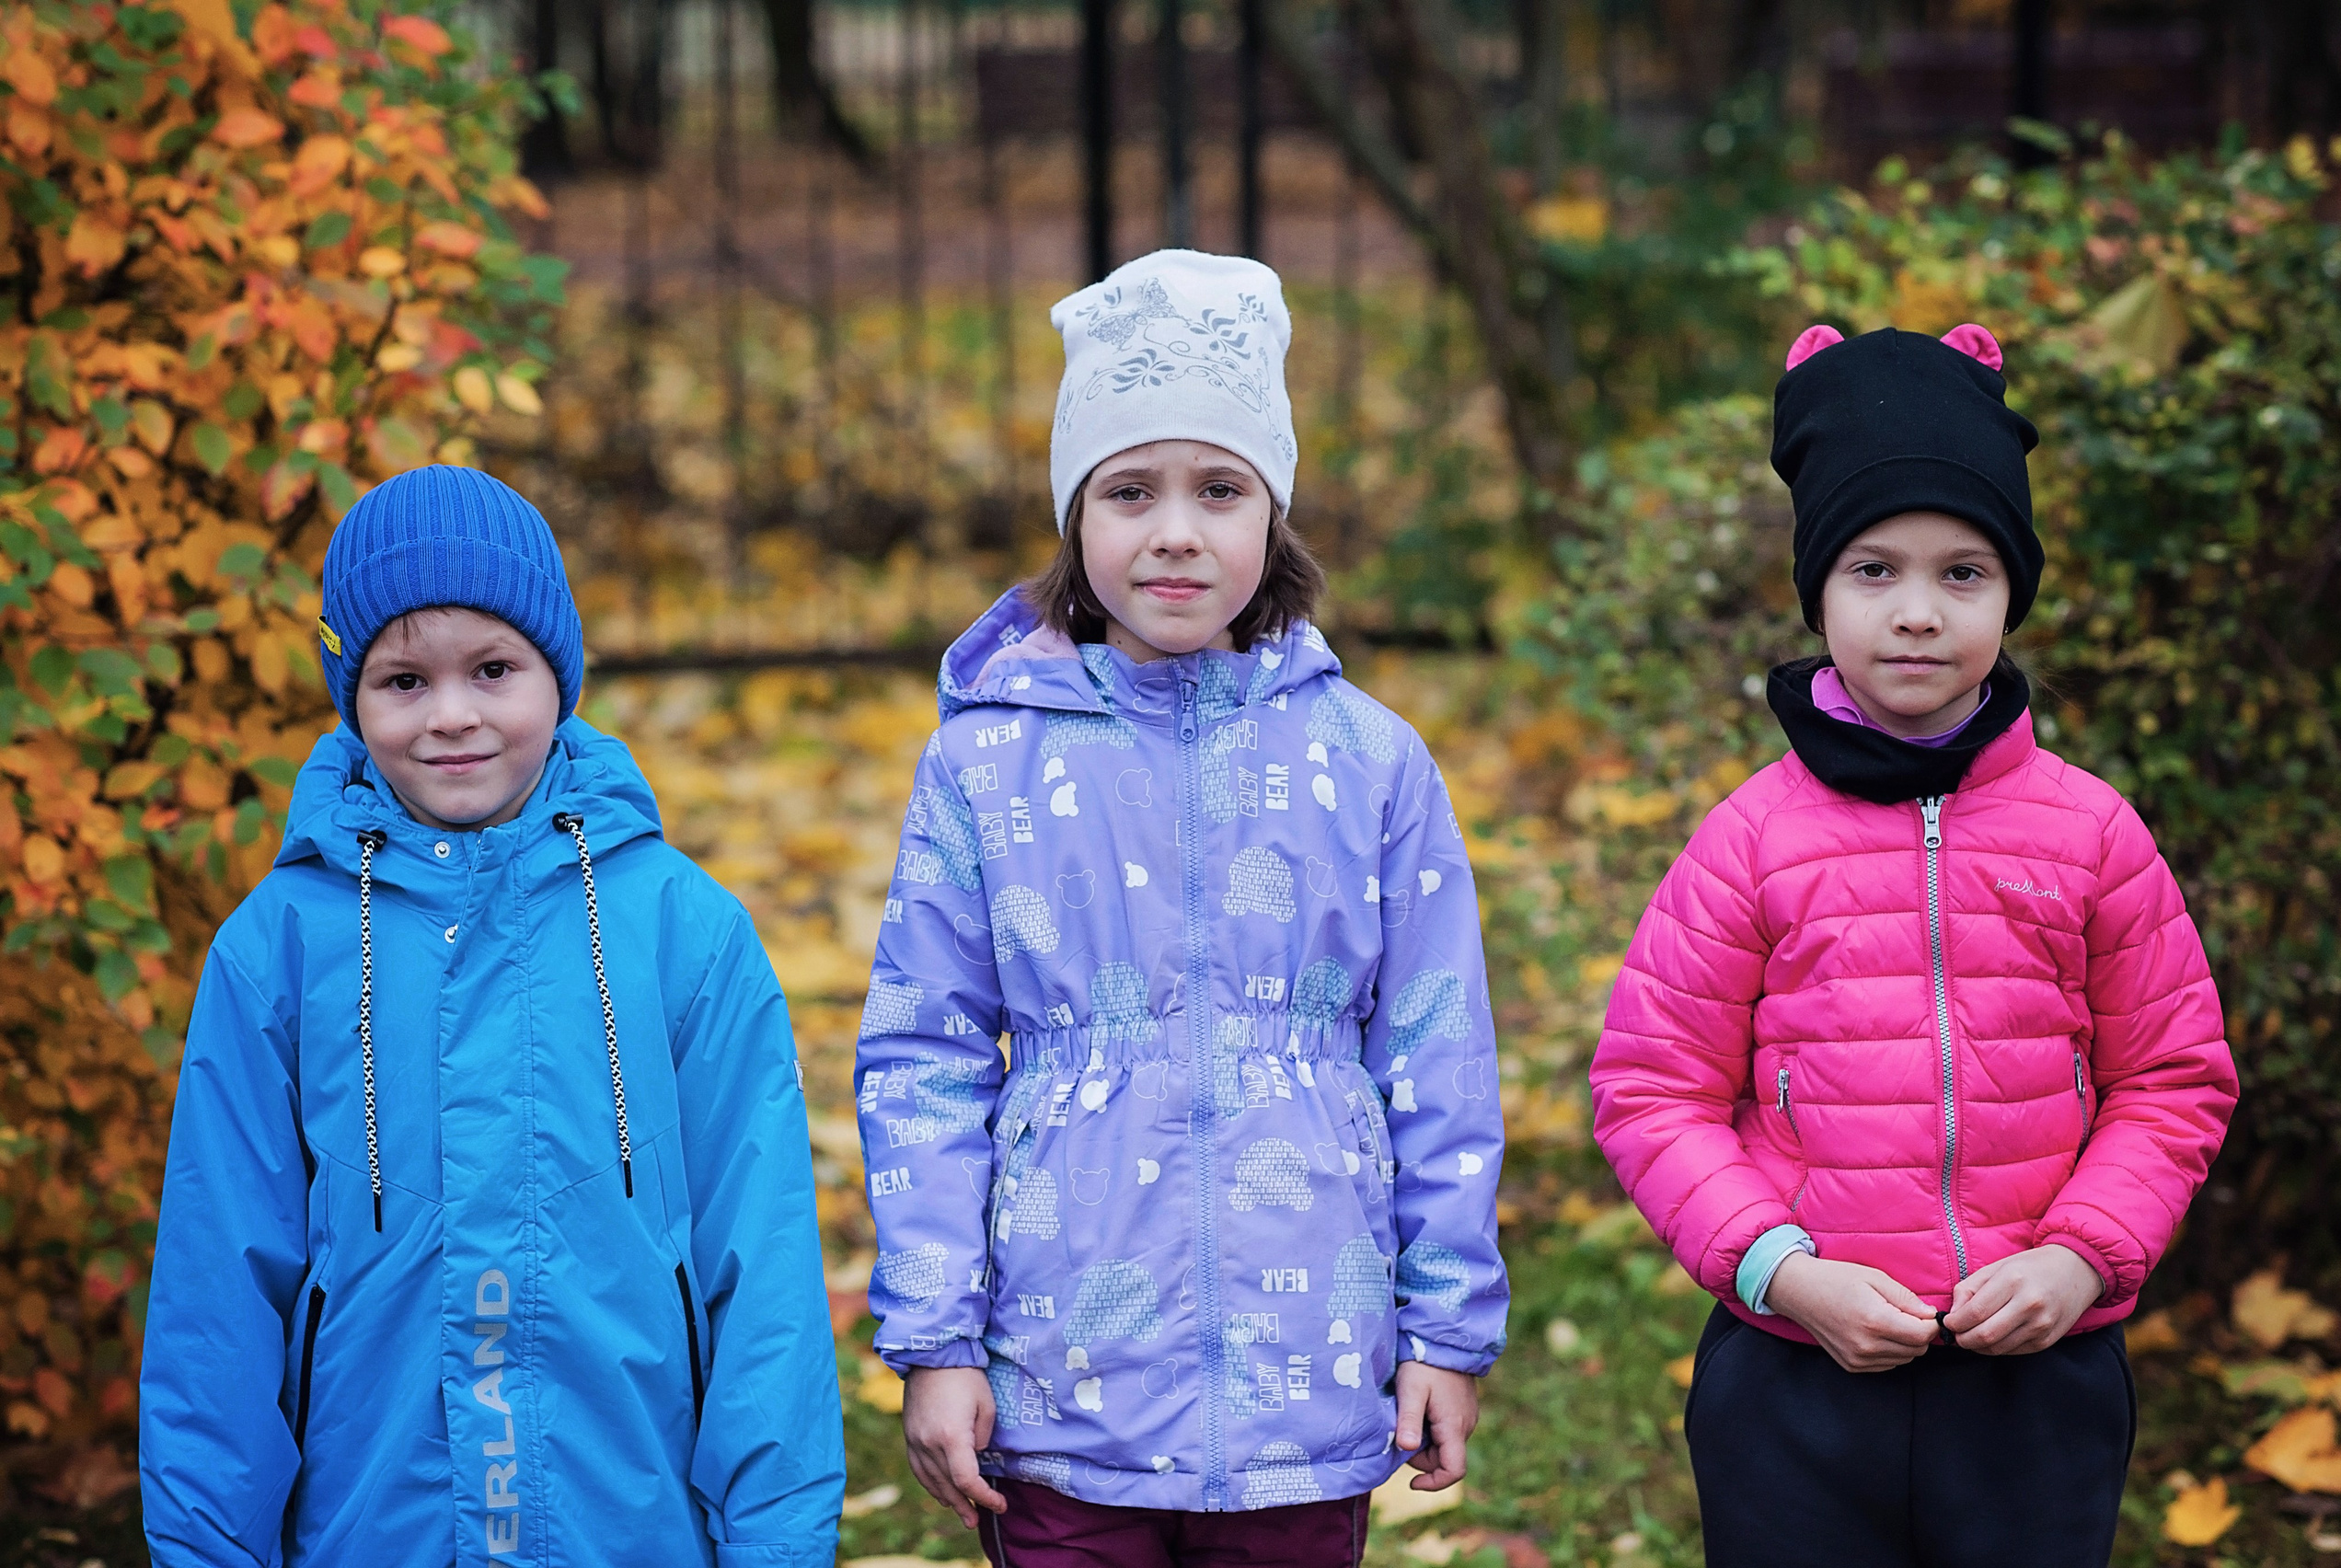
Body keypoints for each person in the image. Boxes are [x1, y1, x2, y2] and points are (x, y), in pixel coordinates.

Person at [854, 250, 1507, 1568]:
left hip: (1308, 1381)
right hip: (1060, 1379)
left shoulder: (1371, 761)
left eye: (1220, 489)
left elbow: (1438, 1057)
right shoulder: (986, 763)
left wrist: (1444, 1330)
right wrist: (934, 1339)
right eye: (1128, 490)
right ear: (1073, 518)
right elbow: (920, 1055)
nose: (1174, 530)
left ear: (1273, 512)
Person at [1589, 323, 2239, 1567]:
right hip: (1797, 1383)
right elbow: (1650, 1089)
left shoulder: (2093, 834)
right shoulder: (1749, 842)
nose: (1919, 615)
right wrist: (1779, 1270)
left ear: (2013, 594)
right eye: (1874, 571)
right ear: (1818, 590)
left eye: (1966, 573)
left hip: (2035, 1378)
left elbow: (2174, 1080)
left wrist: (2081, 1256)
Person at [139, 466, 844, 1567]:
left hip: (631, 1521)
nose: (453, 714)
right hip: (378, 1524)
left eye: (495, 669)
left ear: (559, 677)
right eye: (403, 679)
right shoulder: (277, 949)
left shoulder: (679, 929)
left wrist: (778, 1544)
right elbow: (217, 1288)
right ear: (352, 698)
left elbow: (763, 1272)